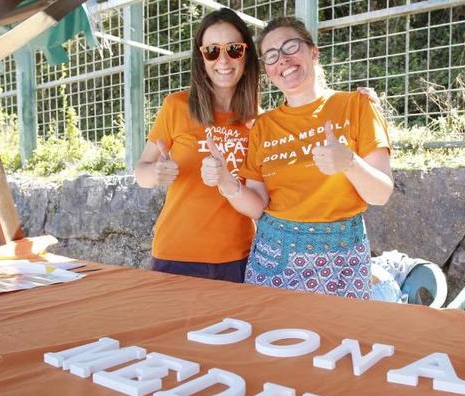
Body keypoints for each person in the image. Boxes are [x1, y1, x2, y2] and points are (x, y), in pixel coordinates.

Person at [202, 16, 393, 299]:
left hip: (342, 260)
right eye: (271, 55)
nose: (283, 60)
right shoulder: (263, 127)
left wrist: (350, 163)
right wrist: (227, 183)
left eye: (291, 47)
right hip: (274, 258)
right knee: (269, 339)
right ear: (267, 69)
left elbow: (381, 194)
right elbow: (258, 206)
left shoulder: (357, 106)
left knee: (340, 339)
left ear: (313, 52)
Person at [133, 8, 259, 282]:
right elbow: (141, 170)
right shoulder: (176, 107)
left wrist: (353, 103)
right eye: (212, 50)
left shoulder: (259, 122)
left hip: (239, 257)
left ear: (246, 55)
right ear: (201, 58)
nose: (223, 60)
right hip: (177, 256)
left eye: (234, 49)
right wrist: (155, 173)